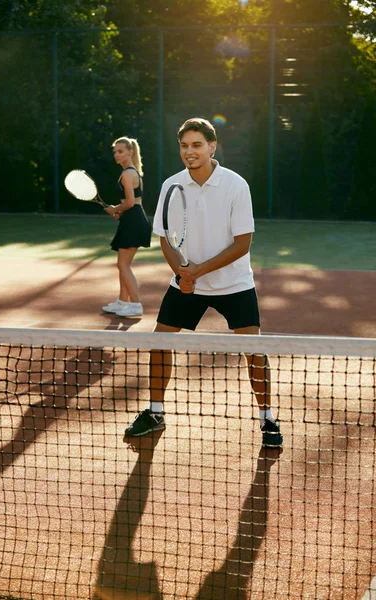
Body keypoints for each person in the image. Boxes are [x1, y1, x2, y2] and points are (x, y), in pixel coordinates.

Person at [124, 117, 283, 447]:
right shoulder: (171, 185)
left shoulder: (235, 185)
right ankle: (155, 412)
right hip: (186, 281)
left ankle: (267, 417)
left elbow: (243, 243)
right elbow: (165, 238)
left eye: (197, 145)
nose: (189, 151)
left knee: (253, 350)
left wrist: (197, 272)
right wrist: (182, 273)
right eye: (184, 145)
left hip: (234, 283)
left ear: (212, 146)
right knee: (160, 341)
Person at [101, 136, 152, 318]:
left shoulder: (127, 174)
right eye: (115, 152)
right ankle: (122, 301)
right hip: (132, 218)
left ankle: (136, 304)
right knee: (123, 264)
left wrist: (116, 208)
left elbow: (130, 202)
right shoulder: (131, 172)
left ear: (130, 152)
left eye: (120, 151)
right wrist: (119, 212)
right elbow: (132, 203)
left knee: (123, 264)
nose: (116, 155)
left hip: (134, 220)